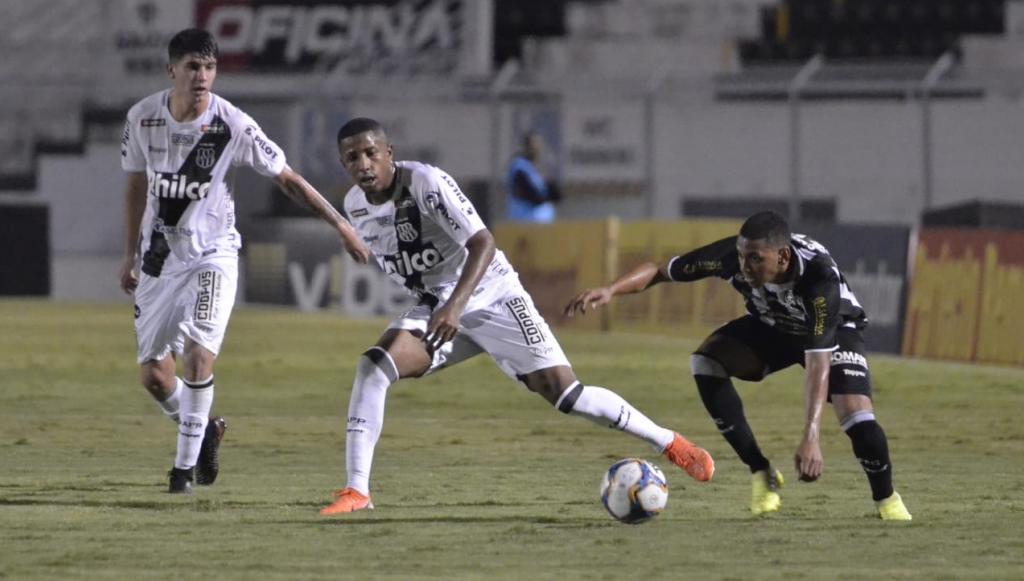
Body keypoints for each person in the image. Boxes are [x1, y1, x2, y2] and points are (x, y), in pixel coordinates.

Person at [318, 118, 714, 515]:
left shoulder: (425, 183)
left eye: (371, 153)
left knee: (568, 396)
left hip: (493, 295)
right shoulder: (354, 206)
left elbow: (482, 242)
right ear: (343, 164)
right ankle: (357, 491)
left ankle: (669, 443)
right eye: (352, 158)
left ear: (389, 153)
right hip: (438, 307)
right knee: (374, 367)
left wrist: (456, 306)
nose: (364, 164)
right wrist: (440, 303)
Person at [119, 29, 369, 494]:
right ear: (171, 70)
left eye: (210, 67)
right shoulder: (142, 119)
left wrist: (341, 225)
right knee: (155, 376)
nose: (202, 77)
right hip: (159, 258)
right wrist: (128, 254)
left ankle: (181, 474)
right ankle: (205, 428)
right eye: (193, 66)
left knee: (198, 357)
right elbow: (135, 186)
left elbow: (288, 179)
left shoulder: (232, 124)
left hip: (214, 253)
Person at [564, 211, 912, 520]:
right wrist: (611, 291)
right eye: (742, 257)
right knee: (705, 362)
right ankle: (761, 473)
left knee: (858, 419)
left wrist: (811, 438)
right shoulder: (732, 257)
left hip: (834, 332)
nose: (744, 267)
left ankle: (886, 499)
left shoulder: (818, 279)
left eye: (755, 260)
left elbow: (818, 358)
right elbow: (658, 271)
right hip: (772, 326)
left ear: (782, 256)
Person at [505, 131, 559, 223]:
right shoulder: (519, 167)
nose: (537, 148)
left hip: (541, 222)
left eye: (539, 144)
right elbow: (529, 194)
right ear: (526, 147)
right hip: (524, 220)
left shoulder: (537, 167)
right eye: (533, 145)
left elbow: (556, 194)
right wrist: (545, 197)